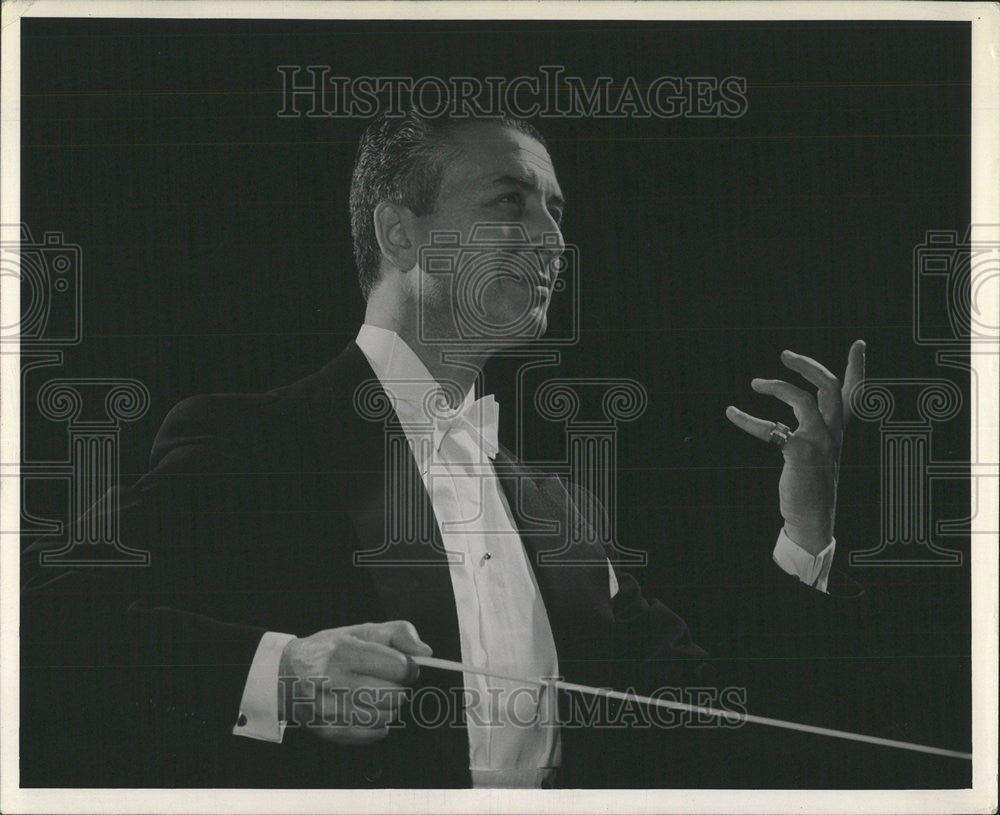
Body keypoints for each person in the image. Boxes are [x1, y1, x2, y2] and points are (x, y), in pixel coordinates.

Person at [21, 109, 868, 789]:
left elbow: (715, 729)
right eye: (510, 200)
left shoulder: (559, 511)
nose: (551, 238)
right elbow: (36, 625)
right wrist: (282, 670)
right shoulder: (252, 440)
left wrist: (806, 531)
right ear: (401, 234)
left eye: (557, 210)